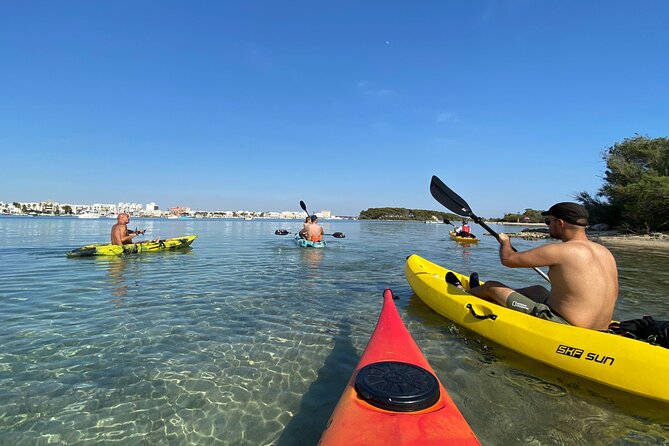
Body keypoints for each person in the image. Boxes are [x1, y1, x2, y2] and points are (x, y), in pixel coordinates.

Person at [446, 202, 618, 330]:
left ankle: (466, 292)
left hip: (566, 325)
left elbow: (509, 260)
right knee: (537, 290)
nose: (547, 225)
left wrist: (505, 241)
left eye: (548, 221)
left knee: (492, 286)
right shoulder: (604, 252)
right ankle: (490, 297)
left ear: (560, 223)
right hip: (600, 327)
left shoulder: (561, 250)